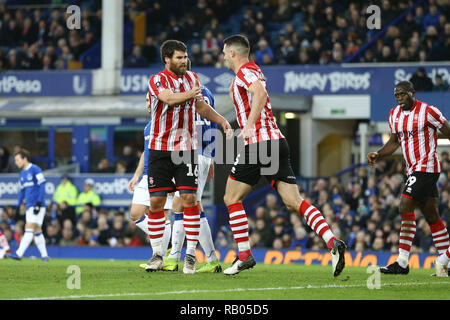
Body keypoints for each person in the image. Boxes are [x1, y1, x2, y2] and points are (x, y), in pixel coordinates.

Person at [221, 34, 346, 276]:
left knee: (231, 198)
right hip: (277, 141)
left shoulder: (246, 72)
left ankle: (244, 255)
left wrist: (248, 125)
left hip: (259, 143)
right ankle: (332, 242)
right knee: (293, 201)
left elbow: (260, 94)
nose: (223, 56)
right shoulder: (253, 70)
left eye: (225, 52)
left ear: (233, 53)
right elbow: (253, 94)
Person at [144, 39, 232, 273]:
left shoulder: (193, 80)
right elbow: (169, 99)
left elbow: (201, 107)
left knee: (189, 200)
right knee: (156, 202)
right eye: (179, 57)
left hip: (187, 149)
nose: (184, 61)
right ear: (167, 59)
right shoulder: (157, 80)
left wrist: (222, 120)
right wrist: (189, 94)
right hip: (159, 148)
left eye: (185, 57)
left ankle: (190, 255)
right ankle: (156, 255)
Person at [367, 80, 450, 277]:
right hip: (412, 169)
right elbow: (394, 142)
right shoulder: (394, 115)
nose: (399, 99)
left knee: (405, 206)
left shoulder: (428, 111)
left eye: (403, 94)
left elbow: (447, 129)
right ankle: (446, 264)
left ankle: (402, 261)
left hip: (427, 167)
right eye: (396, 95)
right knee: (431, 215)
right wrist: (378, 154)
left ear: (412, 93)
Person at [163, 58, 222, 273]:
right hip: (203, 153)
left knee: (182, 205)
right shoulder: (207, 92)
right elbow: (211, 124)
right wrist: (212, 156)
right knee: (195, 205)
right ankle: (212, 259)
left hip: (189, 153)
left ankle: (177, 258)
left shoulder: (182, 92)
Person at [128, 92, 173, 262]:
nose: (148, 103)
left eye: (151, 100)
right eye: (146, 100)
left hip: (163, 173)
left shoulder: (167, 123)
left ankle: (160, 255)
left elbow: (175, 150)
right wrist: (136, 175)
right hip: (147, 175)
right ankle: (165, 244)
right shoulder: (148, 126)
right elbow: (145, 153)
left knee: (163, 215)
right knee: (135, 214)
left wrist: (173, 177)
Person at [6, 149, 49, 261]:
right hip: (29, 205)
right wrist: (19, 205)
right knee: (37, 230)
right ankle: (44, 256)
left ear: (25, 159)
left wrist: (39, 203)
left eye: (17, 160)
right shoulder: (22, 173)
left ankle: (19, 254)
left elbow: (42, 185)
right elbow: (22, 191)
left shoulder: (35, 169)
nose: (16, 162)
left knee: (29, 227)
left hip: (38, 205)